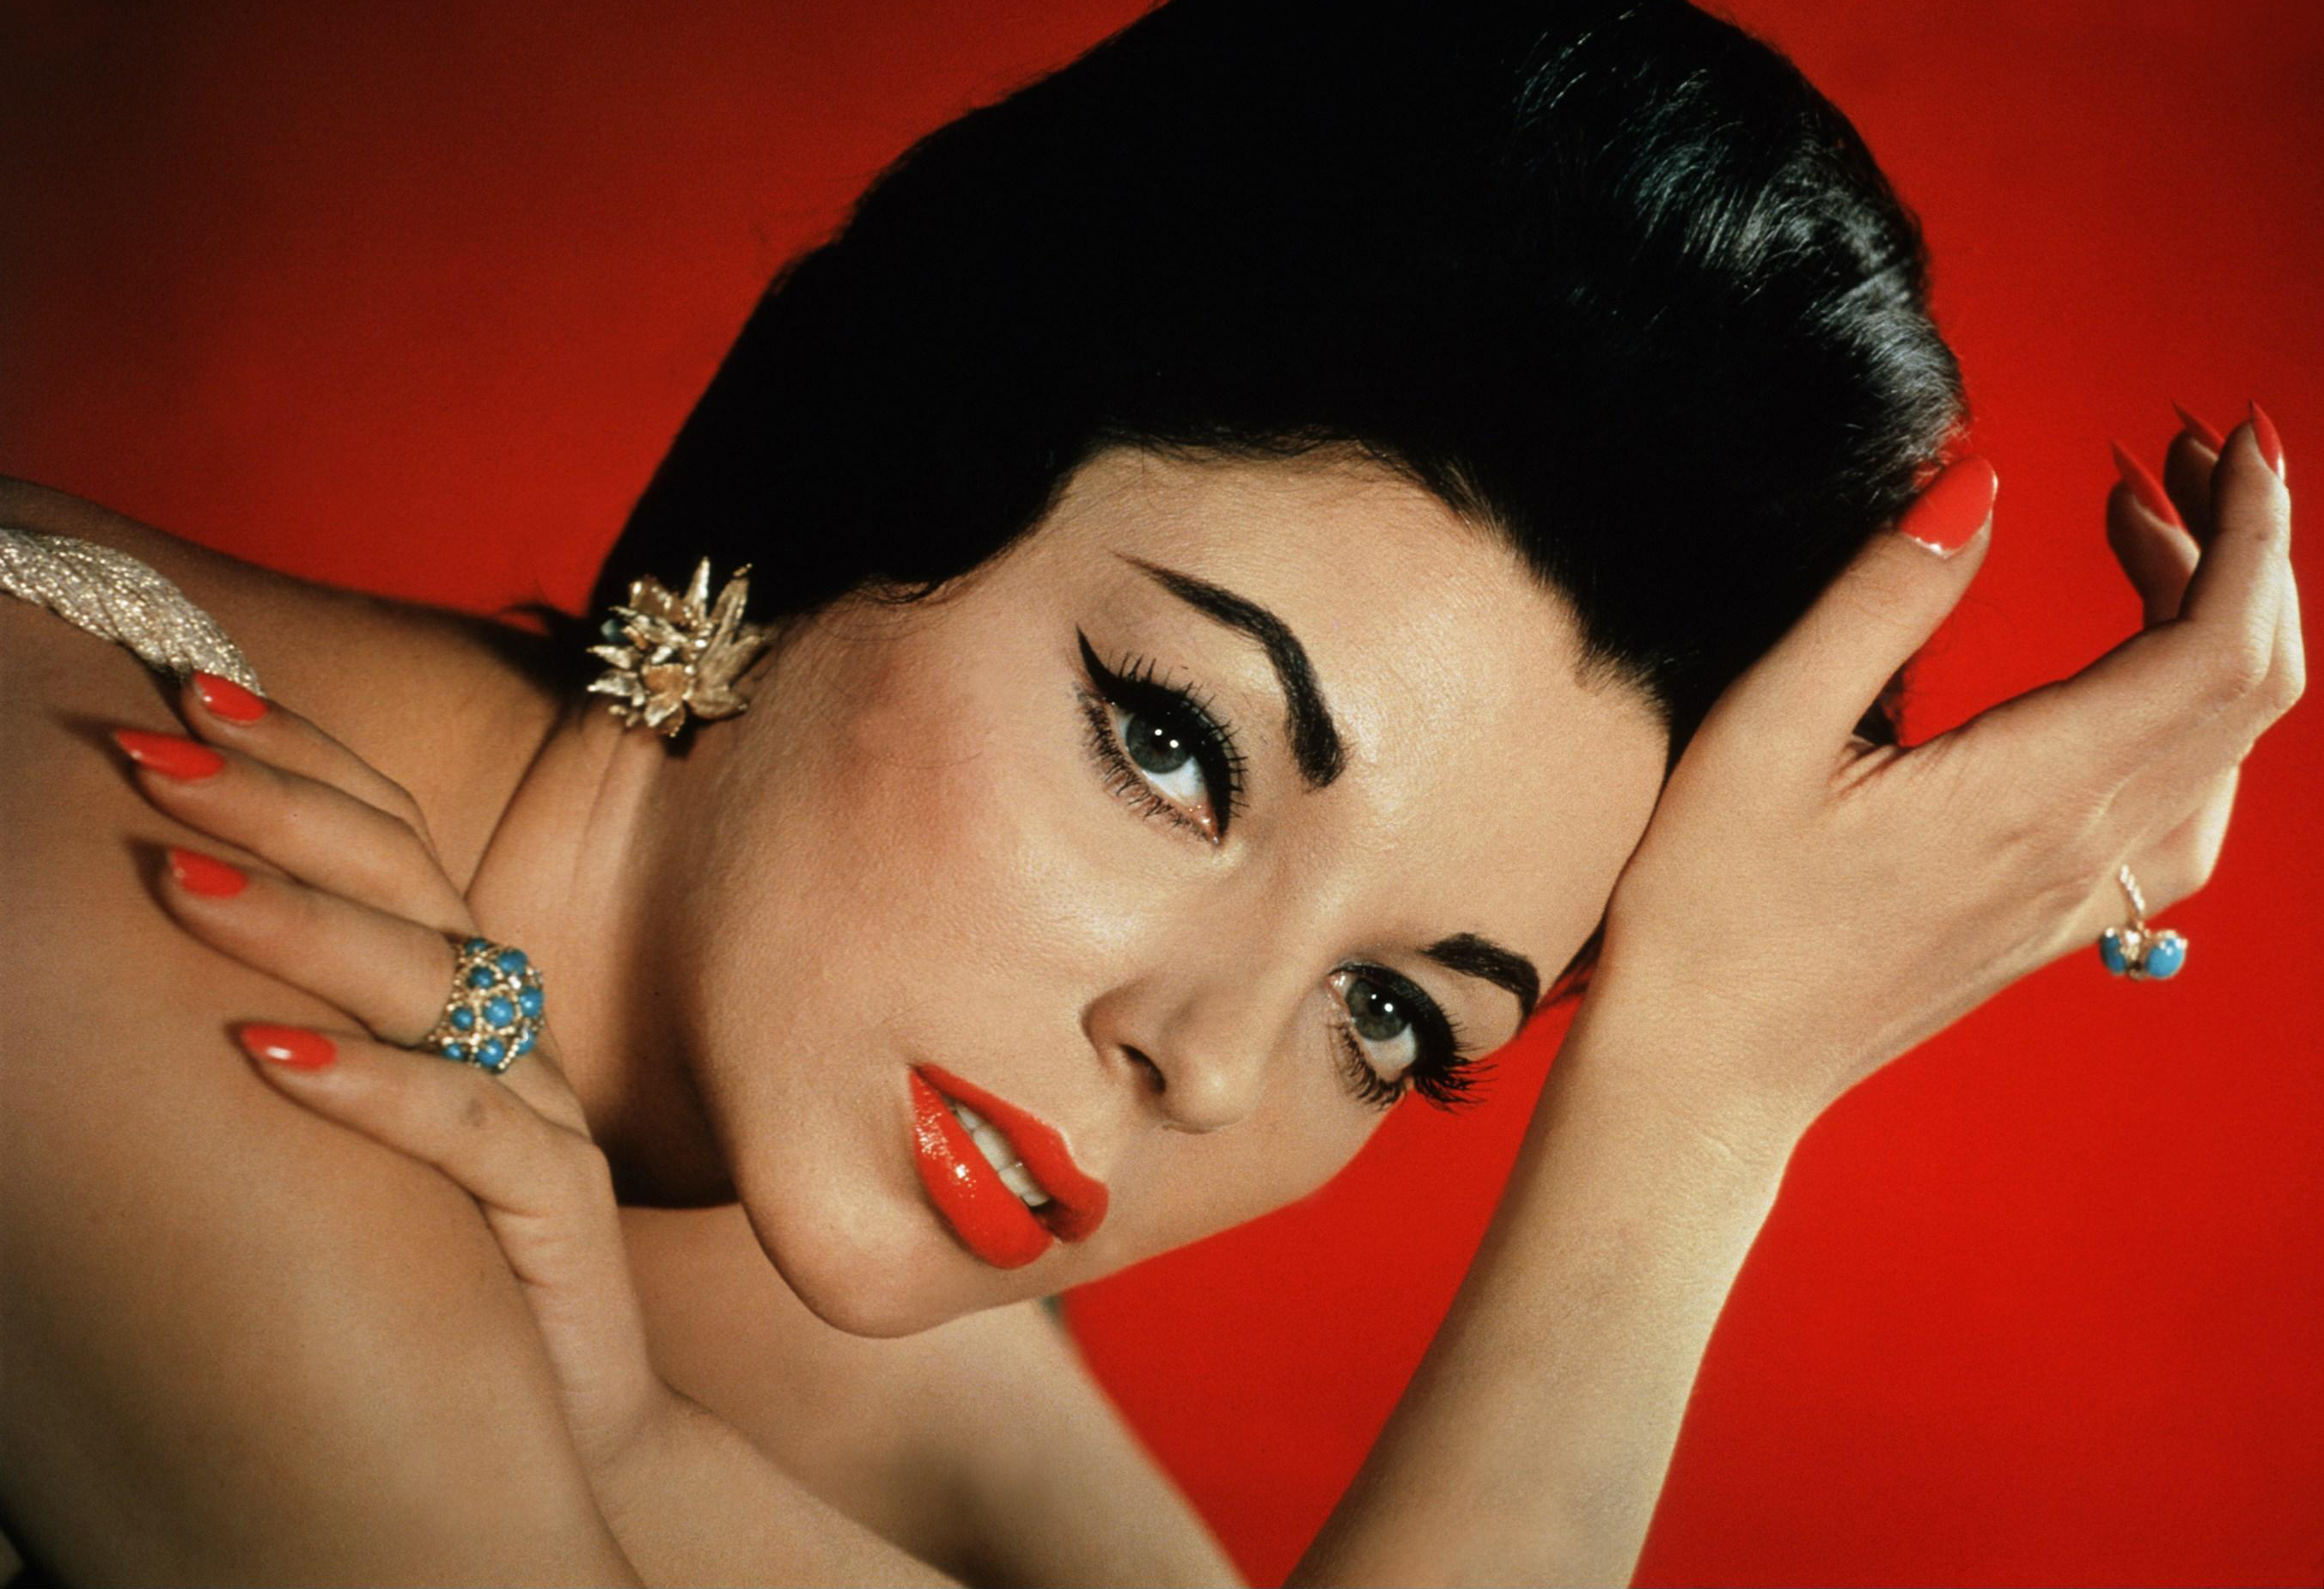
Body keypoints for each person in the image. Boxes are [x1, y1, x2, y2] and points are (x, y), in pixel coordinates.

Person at [0, 0, 2301, 1582]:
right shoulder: (119, 897)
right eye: (1176, 747)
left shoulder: (771, 1197)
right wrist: (1694, 1123)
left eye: (1394, 1016)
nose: (1200, 1059)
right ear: (882, 455)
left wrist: (637, 1458)